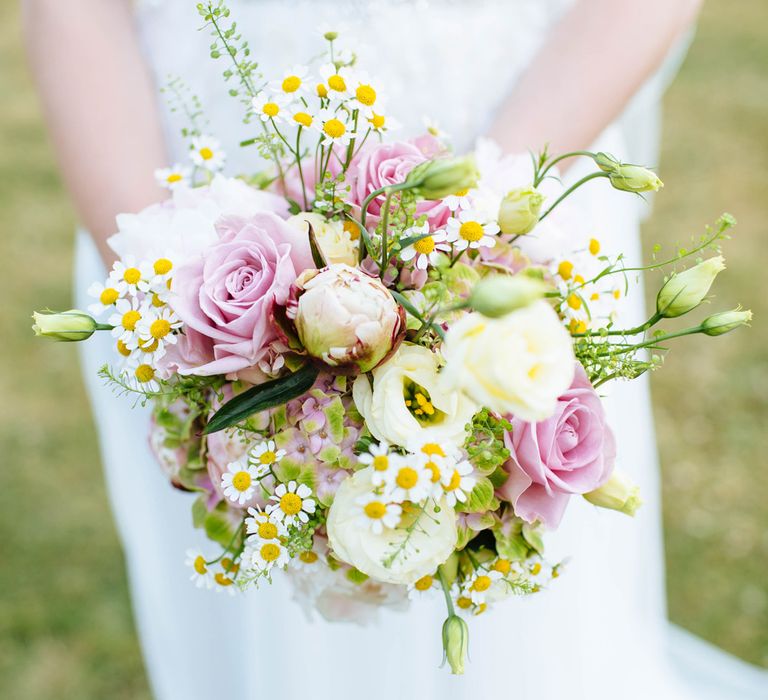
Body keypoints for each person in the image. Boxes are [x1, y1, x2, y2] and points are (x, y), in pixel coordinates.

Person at [22, 1, 768, 698]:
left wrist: (466, 237)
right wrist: (168, 280)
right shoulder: (182, 267)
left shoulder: (502, 221)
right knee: (248, 636)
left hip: (527, 176)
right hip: (195, 217)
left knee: (529, 645)